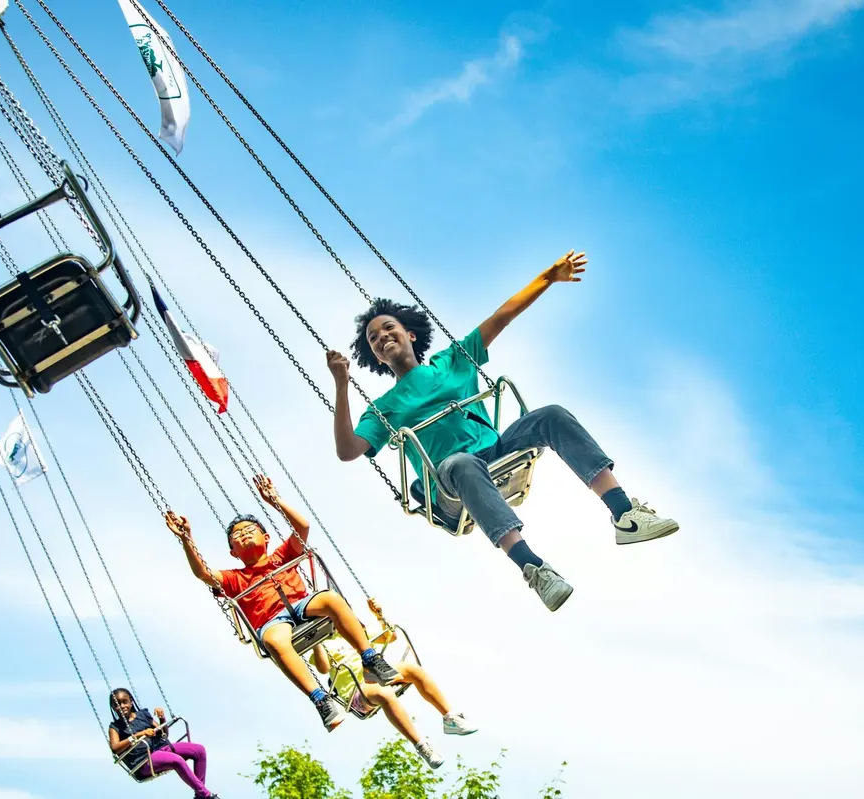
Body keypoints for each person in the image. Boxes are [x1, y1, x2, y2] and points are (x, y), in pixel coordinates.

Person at [328, 250, 680, 611]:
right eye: (373, 338)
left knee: (552, 415)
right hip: (449, 480)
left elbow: (502, 317)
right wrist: (341, 384)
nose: (382, 336)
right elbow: (348, 449)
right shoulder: (385, 408)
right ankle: (533, 567)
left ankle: (625, 514)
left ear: (410, 334)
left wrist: (548, 278)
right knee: (461, 463)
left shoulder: (452, 360)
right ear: (375, 356)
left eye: (389, 327)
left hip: (496, 452)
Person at [168, 474, 401, 731]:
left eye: (250, 530)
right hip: (272, 621)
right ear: (233, 551)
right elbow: (203, 574)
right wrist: (187, 540)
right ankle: (320, 699)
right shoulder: (235, 578)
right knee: (274, 641)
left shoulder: (281, 555)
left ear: (266, 538)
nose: (244, 535)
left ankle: (370, 659)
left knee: (332, 599)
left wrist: (276, 501)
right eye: (237, 535)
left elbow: (303, 528)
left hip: (303, 606)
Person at [310, 600, 475, 770]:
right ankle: (421, 746)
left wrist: (379, 616)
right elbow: (323, 668)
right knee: (384, 693)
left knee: (413, 670)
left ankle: (450, 718)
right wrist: (316, 642)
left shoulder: (357, 631)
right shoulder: (325, 643)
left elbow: (391, 635)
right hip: (357, 691)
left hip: (376, 675)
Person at [108, 688, 217, 798]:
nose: (122, 706)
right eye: (117, 704)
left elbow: (164, 733)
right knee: (177, 760)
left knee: (199, 750)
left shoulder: (143, 715)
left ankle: (200, 795)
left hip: (162, 747)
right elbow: (115, 748)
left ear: (131, 701)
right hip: (145, 760)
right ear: (113, 707)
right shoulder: (115, 727)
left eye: (124, 702)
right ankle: (206, 795)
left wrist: (162, 718)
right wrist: (138, 735)